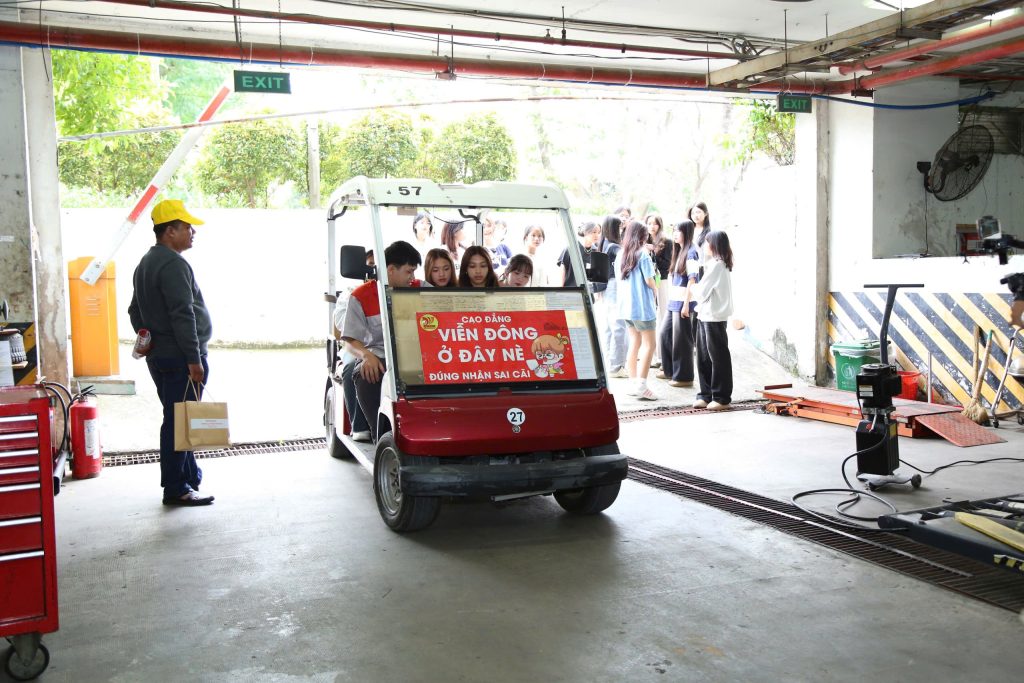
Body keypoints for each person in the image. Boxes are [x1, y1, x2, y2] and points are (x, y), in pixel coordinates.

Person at [128, 199, 215, 507]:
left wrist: (149, 340)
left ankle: (190, 478)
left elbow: (134, 310)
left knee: (182, 418)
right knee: (179, 421)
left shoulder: (146, 263)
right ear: (169, 231)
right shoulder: (174, 264)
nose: (193, 233)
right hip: (180, 357)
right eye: (187, 227)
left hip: (161, 356)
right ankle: (176, 487)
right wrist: (194, 359)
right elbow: (183, 314)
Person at [341, 241, 422, 442]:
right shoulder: (360, 296)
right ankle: (381, 436)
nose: (412, 277)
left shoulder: (421, 289)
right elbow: (350, 340)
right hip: (380, 354)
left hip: (417, 355)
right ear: (391, 270)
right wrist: (366, 355)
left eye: (413, 272)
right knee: (367, 372)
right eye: (408, 272)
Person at [616, 220, 659, 401]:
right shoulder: (643, 255)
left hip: (626, 308)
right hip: (642, 308)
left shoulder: (621, 254)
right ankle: (641, 385)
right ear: (642, 236)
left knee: (635, 342)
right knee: (650, 345)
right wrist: (656, 291)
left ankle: (634, 383)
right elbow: (650, 281)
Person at [694, 230, 735, 411]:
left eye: (707, 242)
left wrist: (693, 287)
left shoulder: (718, 265)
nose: (704, 246)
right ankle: (706, 394)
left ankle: (721, 397)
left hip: (714, 317)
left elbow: (701, 293)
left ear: (714, 245)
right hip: (705, 315)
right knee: (703, 356)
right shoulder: (715, 264)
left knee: (717, 357)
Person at [658, 221, 698, 387]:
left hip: (683, 302)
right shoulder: (679, 250)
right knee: (664, 334)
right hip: (674, 301)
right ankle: (669, 370)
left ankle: (684, 377)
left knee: (682, 341)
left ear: (686, 233)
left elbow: (693, 280)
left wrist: (687, 304)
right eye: (673, 231)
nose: (675, 234)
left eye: (678, 231)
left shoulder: (691, 253)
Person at [597, 215, 627, 377]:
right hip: (614, 286)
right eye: (620, 227)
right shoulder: (615, 248)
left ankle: (610, 363)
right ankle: (617, 365)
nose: (622, 230)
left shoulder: (604, 245)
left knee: (608, 327)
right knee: (618, 326)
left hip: (606, 287)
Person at [645, 213, 671, 367]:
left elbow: (667, 264)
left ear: (660, 225)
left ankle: (662, 356)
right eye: (649, 223)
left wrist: (653, 251)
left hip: (662, 280)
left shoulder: (666, 242)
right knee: (651, 317)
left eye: (655, 223)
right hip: (648, 281)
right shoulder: (644, 239)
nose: (652, 226)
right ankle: (654, 356)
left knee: (662, 315)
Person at [558, 221, 603, 288]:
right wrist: (560, 288)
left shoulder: (596, 251)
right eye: (594, 232)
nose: (597, 235)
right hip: (569, 289)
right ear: (585, 232)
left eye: (599, 233)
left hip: (587, 291)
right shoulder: (571, 248)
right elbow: (563, 269)